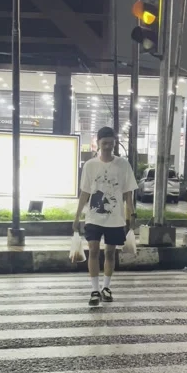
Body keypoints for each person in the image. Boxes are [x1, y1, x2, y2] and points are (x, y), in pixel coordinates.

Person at [73, 127, 137, 307]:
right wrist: (77, 217)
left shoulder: (123, 164)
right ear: (98, 143)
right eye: (104, 143)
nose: (108, 146)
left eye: (111, 143)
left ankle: (106, 288)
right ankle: (94, 289)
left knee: (110, 252)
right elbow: (85, 192)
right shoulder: (90, 165)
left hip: (115, 218)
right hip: (93, 217)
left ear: (114, 143)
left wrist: (131, 214)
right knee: (93, 250)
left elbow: (128, 193)